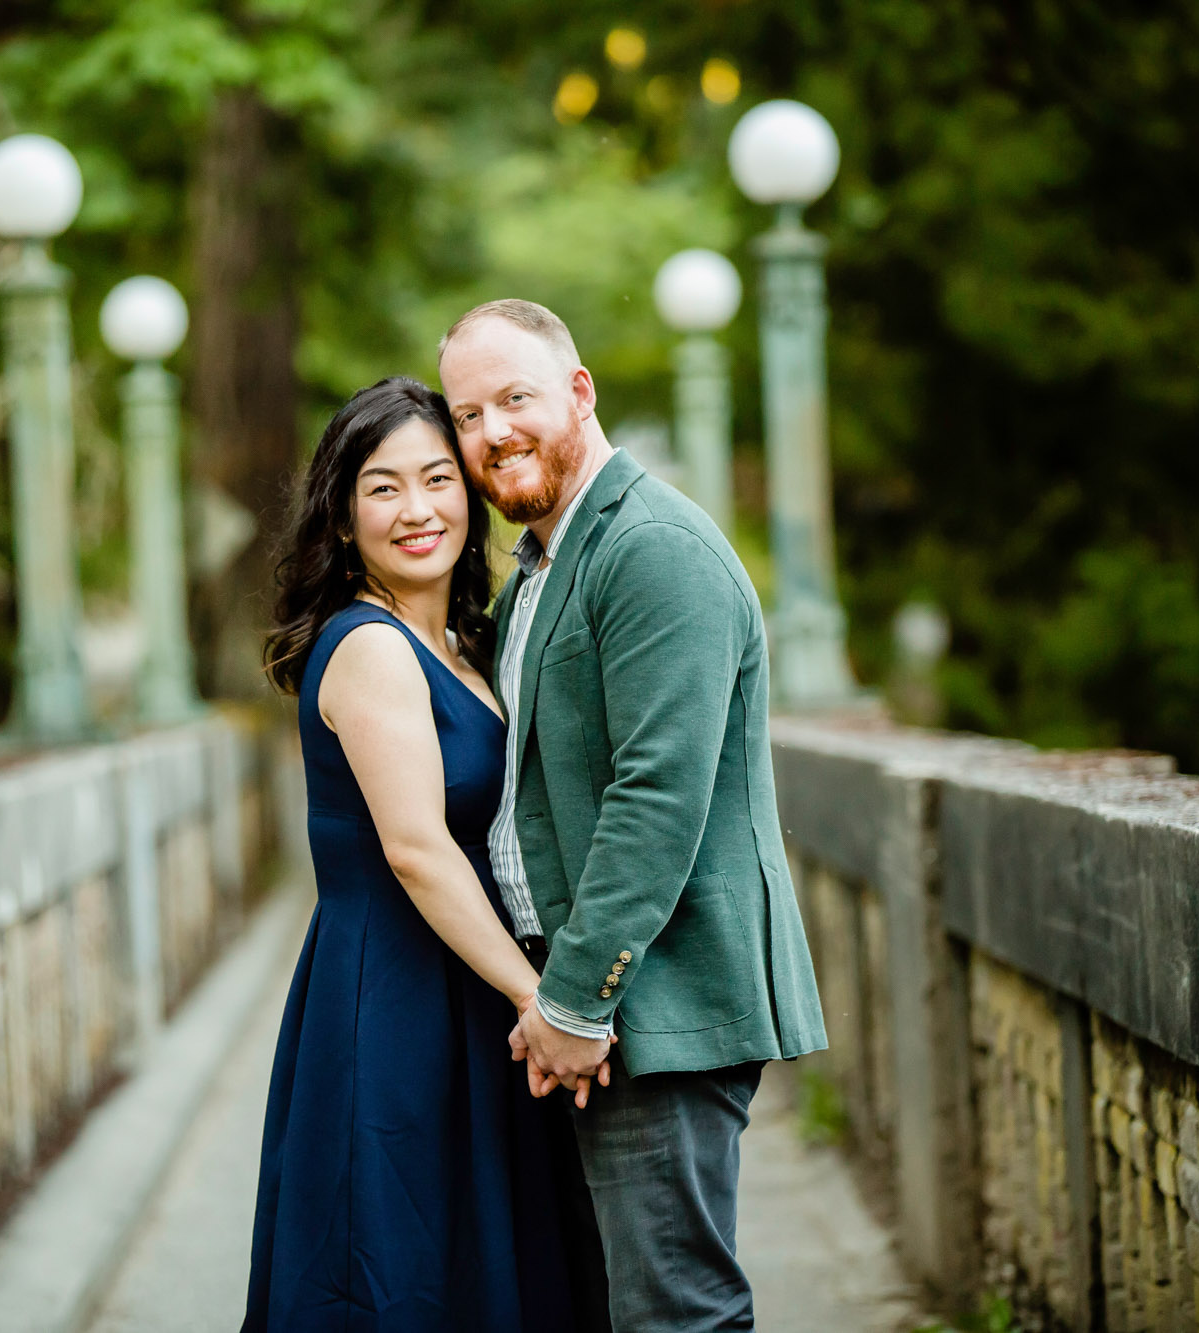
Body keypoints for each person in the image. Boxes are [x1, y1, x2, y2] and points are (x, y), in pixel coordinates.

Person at [436, 299, 830, 1332]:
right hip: (588, 1008)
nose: (491, 434)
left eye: (513, 398)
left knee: (674, 1314)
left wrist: (571, 1002)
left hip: (654, 1008)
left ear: (578, 391)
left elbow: (655, 798)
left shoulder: (650, 550)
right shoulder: (538, 569)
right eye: (466, 415)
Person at [242, 376, 606, 1331]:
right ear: (343, 511)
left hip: (464, 989)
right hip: (397, 1002)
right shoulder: (369, 647)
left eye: (439, 478)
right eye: (383, 486)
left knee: (481, 1272)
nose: (417, 510)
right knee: (399, 1272)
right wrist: (546, 1003)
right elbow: (416, 850)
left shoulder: (456, 645)